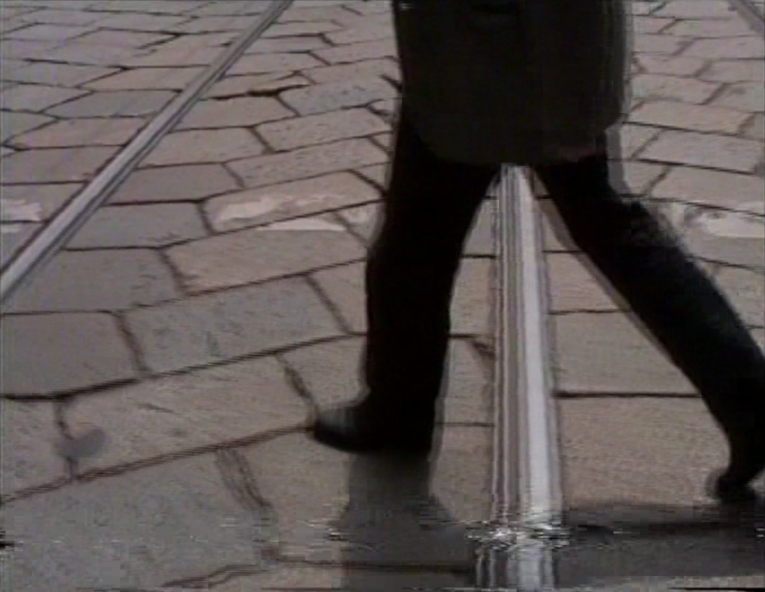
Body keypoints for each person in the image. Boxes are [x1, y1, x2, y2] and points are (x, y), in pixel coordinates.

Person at [310, 0, 765, 506]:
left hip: (496, 56)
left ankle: (396, 412)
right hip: (514, 56)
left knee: (420, 240)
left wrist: (563, 93)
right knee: (431, 237)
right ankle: (751, 399)